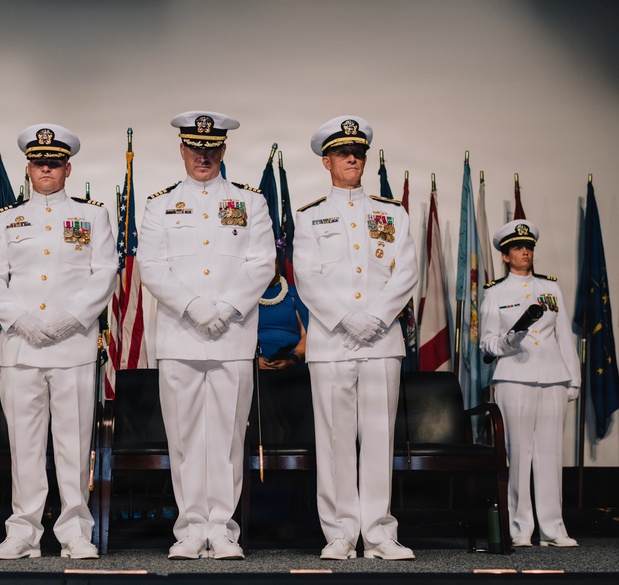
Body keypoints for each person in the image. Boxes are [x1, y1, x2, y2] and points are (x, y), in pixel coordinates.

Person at [137, 111, 275, 559]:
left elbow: (261, 264)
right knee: (184, 437)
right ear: (182, 149)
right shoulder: (159, 204)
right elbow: (152, 267)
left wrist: (227, 307)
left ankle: (224, 528)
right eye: (195, 148)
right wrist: (195, 308)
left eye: (211, 147)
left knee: (229, 437)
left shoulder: (250, 202)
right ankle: (191, 528)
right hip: (180, 335)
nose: (203, 155)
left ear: (223, 150)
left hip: (232, 335)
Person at [0, 124, 117, 560]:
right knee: (24, 445)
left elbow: (104, 274)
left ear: (67, 168)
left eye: (54, 162)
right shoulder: (6, 218)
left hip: (72, 345)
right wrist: (19, 319)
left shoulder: (92, 215)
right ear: (28, 167)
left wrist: (67, 320)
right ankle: (22, 532)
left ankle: (76, 531)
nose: (46, 168)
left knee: (74, 444)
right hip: (21, 346)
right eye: (39, 162)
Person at [292, 115, 418, 560]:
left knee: (379, 438)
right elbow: (305, 277)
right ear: (326, 161)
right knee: (335, 440)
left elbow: (406, 273)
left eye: (358, 152)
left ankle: (380, 533)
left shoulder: (392, 212)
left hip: (382, 340)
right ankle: (341, 533)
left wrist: (377, 318)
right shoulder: (309, 217)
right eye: (344, 153)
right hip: (331, 342)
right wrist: (348, 319)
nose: (352, 158)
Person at [480, 220, 580, 548]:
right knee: (518, 453)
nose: (526, 251)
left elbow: (565, 335)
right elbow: (487, 344)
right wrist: (509, 342)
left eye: (529, 247)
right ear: (505, 256)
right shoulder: (495, 293)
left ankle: (553, 529)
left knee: (551, 453)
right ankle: (520, 529)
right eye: (518, 248)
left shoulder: (550, 289)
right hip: (513, 376)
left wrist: (573, 379)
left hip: (552, 376)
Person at [258, 241, 308, 370]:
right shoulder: (245, 296)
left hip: (292, 363)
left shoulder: (294, 294)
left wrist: (293, 359)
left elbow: (306, 334)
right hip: (252, 367)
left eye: (271, 262)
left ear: (278, 264)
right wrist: (253, 361)